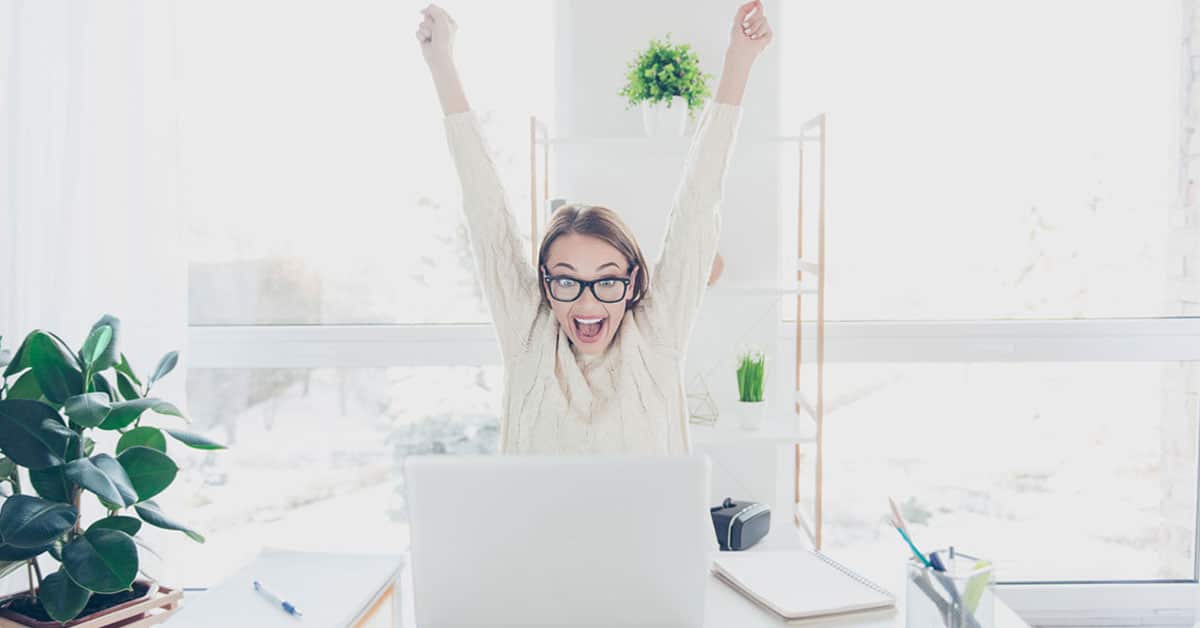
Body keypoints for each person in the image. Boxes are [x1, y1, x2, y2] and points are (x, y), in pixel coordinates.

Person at [417, 1, 772, 455]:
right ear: (544, 284)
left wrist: (738, 61)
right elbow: (485, 210)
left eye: (606, 280)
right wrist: (441, 63)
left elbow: (699, 204)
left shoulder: (657, 334)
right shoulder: (528, 336)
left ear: (632, 282)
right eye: (566, 279)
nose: (586, 302)